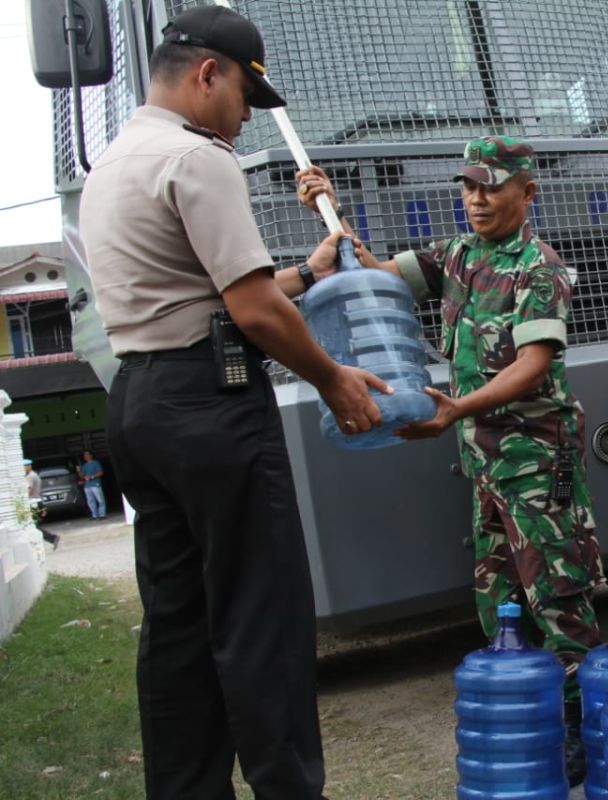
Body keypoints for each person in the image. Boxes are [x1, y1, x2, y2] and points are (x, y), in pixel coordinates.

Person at [78, 7, 389, 797]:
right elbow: (251, 314)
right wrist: (334, 377)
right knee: (263, 620)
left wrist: (309, 275)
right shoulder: (199, 158)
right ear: (208, 72)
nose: (247, 117)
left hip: (142, 405)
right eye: (246, 96)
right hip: (212, 408)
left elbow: (214, 295)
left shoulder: (114, 163)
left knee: (178, 627)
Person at [297, 136, 604, 783]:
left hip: (535, 463)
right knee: (499, 602)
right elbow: (372, 271)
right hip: (486, 467)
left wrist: (456, 410)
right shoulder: (456, 255)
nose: (476, 198)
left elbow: (533, 364)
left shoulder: (537, 267)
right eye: (468, 186)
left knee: (558, 599)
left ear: (527, 192)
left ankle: (586, 726)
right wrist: (328, 212)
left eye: (491, 186)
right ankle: (532, 715)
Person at [23, 459, 60, 550]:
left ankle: (52, 538)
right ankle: (51, 539)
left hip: (33, 503)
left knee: (33, 526)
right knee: (33, 525)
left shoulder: (30, 477)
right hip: (37, 502)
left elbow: (29, 491)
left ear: (28, 466)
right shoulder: (34, 475)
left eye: (23, 467)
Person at [79, 451, 106, 519]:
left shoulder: (96, 463)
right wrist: (79, 471)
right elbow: (82, 476)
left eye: (87, 454)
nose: (86, 456)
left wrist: (92, 477)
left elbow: (100, 472)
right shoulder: (84, 465)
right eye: (85, 455)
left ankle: (102, 514)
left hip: (95, 484)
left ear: (91, 455)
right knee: (90, 501)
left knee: (100, 500)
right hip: (87, 485)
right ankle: (94, 515)